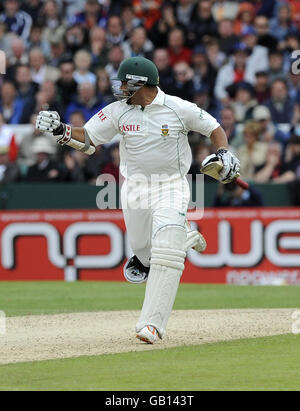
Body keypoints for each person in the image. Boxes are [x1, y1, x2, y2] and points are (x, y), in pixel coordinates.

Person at [35, 56, 240, 344]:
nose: (120, 88)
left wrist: (224, 152)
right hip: (134, 189)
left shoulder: (177, 107)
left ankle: (152, 325)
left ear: (141, 84)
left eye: (125, 83)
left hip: (171, 186)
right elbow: (90, 139)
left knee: (166, 252)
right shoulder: (119, 111)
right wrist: (61, 130)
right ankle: (185, 238)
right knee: (145, 254)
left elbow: (213, 127)